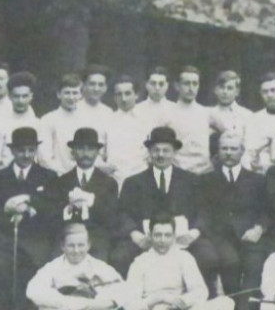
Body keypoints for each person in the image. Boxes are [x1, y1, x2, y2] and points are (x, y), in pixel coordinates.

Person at [0, 126, 59, 310]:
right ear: (12, 151)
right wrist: (8, 212)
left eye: (31, 150)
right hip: (5, 234)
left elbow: (53, 209)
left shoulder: (48, 176)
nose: (26, 155)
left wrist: (30, 203)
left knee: (33, 264)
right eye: (21, 150)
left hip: (35, 235)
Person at [193, 131, 269, 310]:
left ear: (242, 151)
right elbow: (203, 212)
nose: (228, 153)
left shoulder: (256, 179)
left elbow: (266, 210)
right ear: (218, 151)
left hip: (249, 235)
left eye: (233, 148)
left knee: (254, 263)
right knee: (231, 263)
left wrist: (259, 229)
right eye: (224, 148)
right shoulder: (206, 180)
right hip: (220, 236)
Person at [124, 217, 234, 310]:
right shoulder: (140, 262)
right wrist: (155, 300)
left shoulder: (184, 257)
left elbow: (200, 291)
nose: (162, 240)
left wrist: (182, 301)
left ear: (174, 237)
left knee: (226, 302)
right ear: (150, 236)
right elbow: (130, 302)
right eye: (158, 235)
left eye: (167, 235)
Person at [25, 223, 129, 310]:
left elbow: (125, 289)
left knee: (109, 300)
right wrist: (71, 303)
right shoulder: (53, 267)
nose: (76, 250)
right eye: (71, 246)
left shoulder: (98, 266)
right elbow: (32, 290)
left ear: (88, 245)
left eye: (81, 245)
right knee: (45, 300)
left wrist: (101, 304)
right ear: (62, 246)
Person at [112, 125, 200, 277]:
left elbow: (204, 210)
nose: (161, 155)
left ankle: (204, 297)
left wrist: (193, 233)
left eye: (166, 150)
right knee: (119, 257)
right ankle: (128, 297)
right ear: (149, 152)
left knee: (208, 257)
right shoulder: (133, 182)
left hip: (183, 238)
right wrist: (135, 235)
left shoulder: (191, 180)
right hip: (144, 240)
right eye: (156, 150)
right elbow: (122, 213)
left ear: (174, 153)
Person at [49, 127, 122, 265]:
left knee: (98, 268)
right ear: (73, 152)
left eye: (90, 149)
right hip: (68, 238)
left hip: (96, 238)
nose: (85, 154)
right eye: (81, 149)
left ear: (97, 152)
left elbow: (112, 218)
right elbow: (52, 217)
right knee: (56, 265)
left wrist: (93, 203)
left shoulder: (108, 182)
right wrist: (67, 210)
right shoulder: (60, 182)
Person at [99, 73, 149, 184]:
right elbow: (98, 153)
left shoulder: (147, 120)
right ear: (114, 97)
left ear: (136, 95)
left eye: (128, 93)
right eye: (119, 94)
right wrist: (104, 167)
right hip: (114, 180)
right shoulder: (106, 121)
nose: (123, 98)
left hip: (140, 180)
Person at [167, 66, 213, 174]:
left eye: (195, 83)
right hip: (180, 172)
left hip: (204, 172)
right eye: (186, 83)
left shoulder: (207, 113)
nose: (191, 88)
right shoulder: (168, 113)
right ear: (177, 86)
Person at [207, 70, 255, 153]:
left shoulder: (247, 115)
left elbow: (250, 144)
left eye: (229, 88)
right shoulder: (208, 114)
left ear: (237, 92)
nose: (225, 92)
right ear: (215, 90)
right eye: (222, 87)